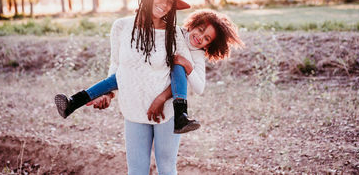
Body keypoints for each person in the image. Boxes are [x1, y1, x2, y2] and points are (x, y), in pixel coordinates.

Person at [58, 0, 192, 174]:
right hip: (133, 108)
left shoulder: (175, 34)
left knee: (166, 168)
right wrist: (108, 94)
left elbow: (181, 73)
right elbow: (117, 68)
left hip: (166, 110)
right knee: (136, 170)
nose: (164, 5)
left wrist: (160, 99)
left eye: (170, 2)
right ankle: (74, 102)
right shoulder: (121, 27)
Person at [55, 9, 243, 134]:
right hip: (143, 77)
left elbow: (200, 88)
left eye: (207, 38)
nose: (200, 37)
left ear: (210, 44)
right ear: (192, 24)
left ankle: (181, 115)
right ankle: (73, 103)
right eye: (200, 30)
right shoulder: (175, 32)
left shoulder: (197, 54)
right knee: (118, 77)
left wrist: (188, 65)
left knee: (177, 66)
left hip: (167, 91)